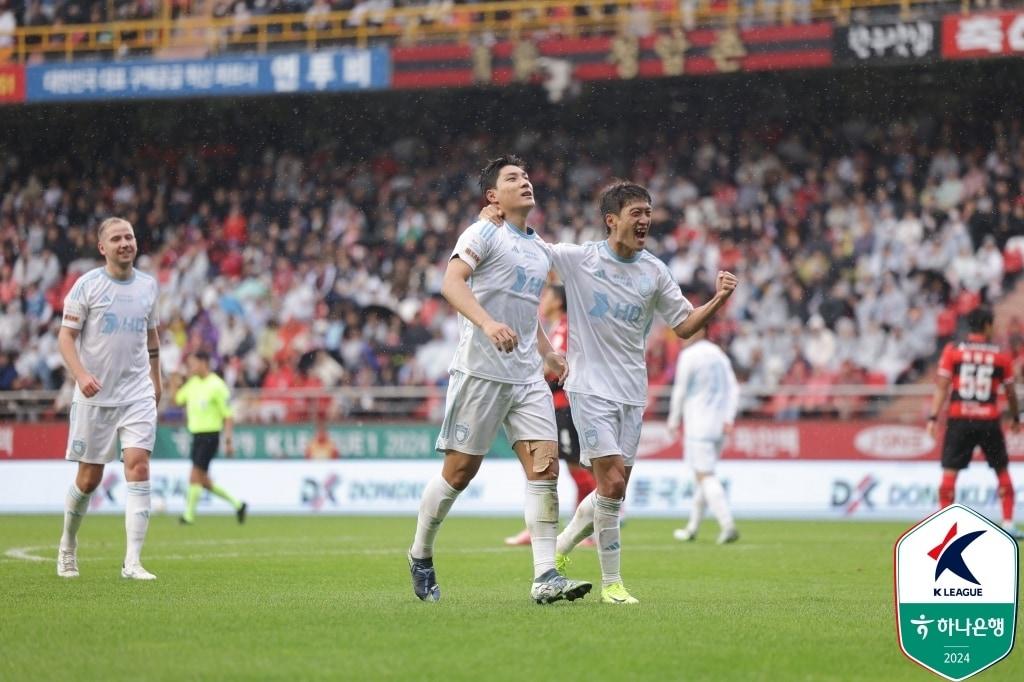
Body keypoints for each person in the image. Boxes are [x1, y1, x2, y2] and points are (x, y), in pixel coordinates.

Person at [486, 181, 737, 604]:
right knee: (614, 480)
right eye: (636, 212)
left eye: (648, 212)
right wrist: (499, 223)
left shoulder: (655, 271)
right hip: (588, 388)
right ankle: (612, 584)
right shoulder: (580, 259)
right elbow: (531, 251)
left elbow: (685, 326)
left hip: (631, 393)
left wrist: (719, 298)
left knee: (612, 491)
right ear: (611, 220)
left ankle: (562, 547)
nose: (645, 220)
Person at [407, 155, 592, 604]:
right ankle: (420, 554)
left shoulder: (539, 247)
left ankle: (545, 576)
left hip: (527, 377)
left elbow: (527, 310)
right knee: (459, 473)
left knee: (544, 470)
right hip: (479, 371)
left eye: (527, 176)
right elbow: (452, 284)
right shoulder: (482, 232)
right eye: (513, 178)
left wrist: (547, 351)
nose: (525, 181)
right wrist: (488, 325)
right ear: (493, 196)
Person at [56, 217, 162, 580]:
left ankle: (132, 562)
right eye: (116, 238)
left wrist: (157, 381)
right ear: (102, 247)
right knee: (89, 478)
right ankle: (68, 544)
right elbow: (65, 338)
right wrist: (81, 375)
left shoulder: (148, 286)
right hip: (96, 395)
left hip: (137, 393)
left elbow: (152, 340)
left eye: (129, 236)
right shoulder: (86, 287)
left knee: (138, 465)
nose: (125, 243)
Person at [504, 284, 597, 547]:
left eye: (546, 296)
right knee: (544, 466)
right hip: (551, 406)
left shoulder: (565, 328)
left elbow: (556, 368)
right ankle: (538, 527)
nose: (541, 300)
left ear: (558, 302)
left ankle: (591, 525)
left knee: (576, 468)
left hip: (564, 406)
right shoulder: (553, 328)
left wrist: (527, 373)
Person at [926, 307, 1022, 539]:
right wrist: (1016, 417)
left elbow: (942, 386)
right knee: (1001, 470)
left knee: (950, 472)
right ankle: (1008, 522)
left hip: (960, 418)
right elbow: (1010, 391)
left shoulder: (954, 350)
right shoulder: (1001, 354)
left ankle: (945, 523)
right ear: (987, 325)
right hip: (988, 420)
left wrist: (932, 417)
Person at [666, 327, 741, 544]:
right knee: (704, 476)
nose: (682, 334)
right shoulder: (718, 354)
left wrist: (673, 420)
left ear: (699, 332)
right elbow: (733, 389)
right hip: (719, 425)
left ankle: (727, 525)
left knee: (705, 476)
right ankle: (692, 528)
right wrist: (729, 418)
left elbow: (680, 390)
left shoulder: (689, 356)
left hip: (699, 424)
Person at [173, 350, 247, 525]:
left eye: (193, 364)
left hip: (210, 436)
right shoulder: (192, 383)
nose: (190, 368)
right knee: (203, 480)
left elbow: (228, 415)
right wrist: (175, 381)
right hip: (196, 435)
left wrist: (228, 441)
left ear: (204, 363)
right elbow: (177, 399)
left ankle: (188, 516)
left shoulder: (217, 385)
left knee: (195, 475)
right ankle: (238, 505)